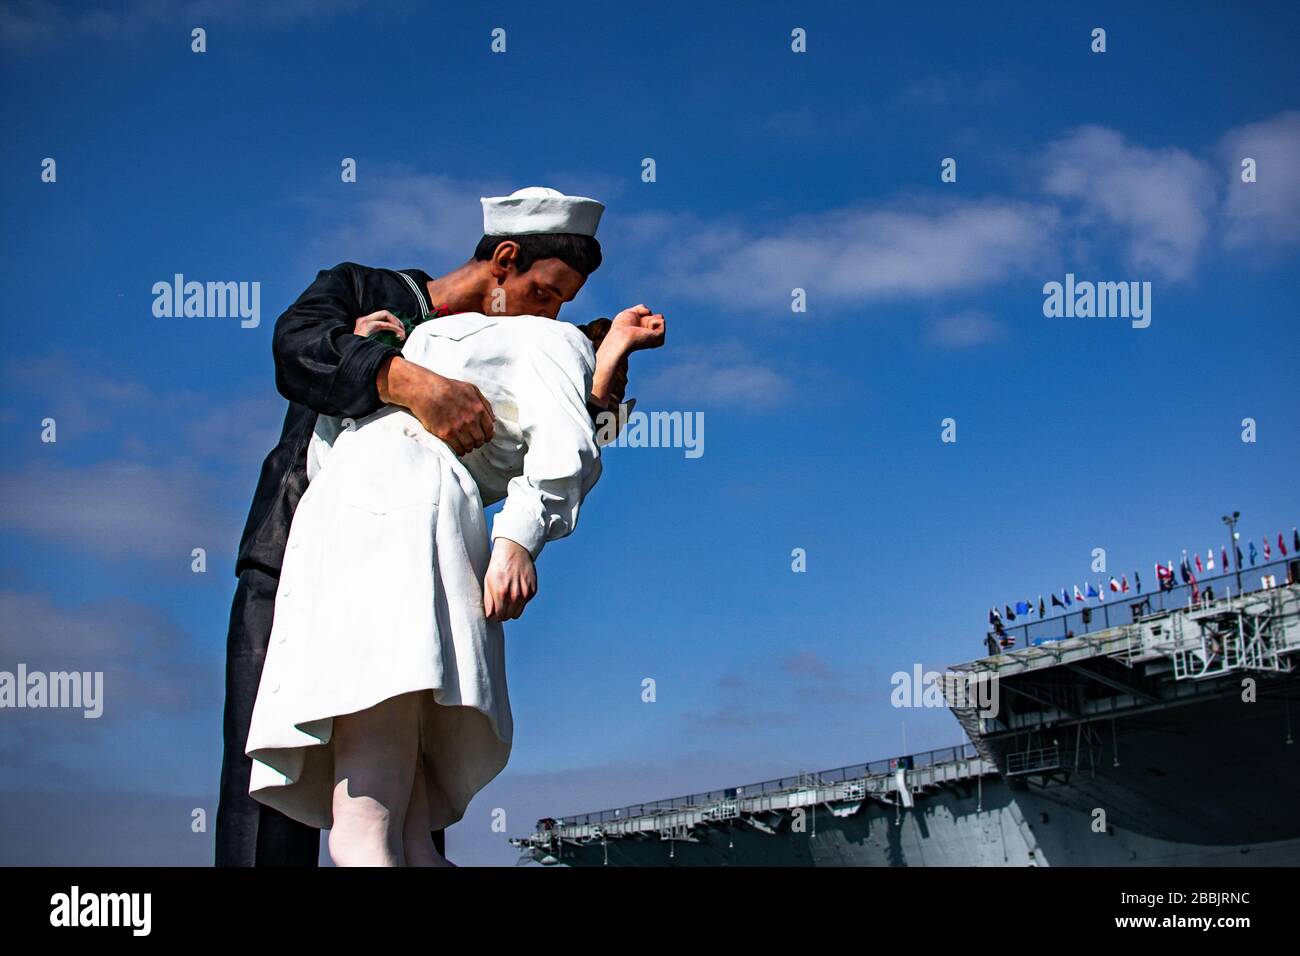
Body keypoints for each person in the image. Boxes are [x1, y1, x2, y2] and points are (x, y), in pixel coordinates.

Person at [216, 187, 636, 866]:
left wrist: (608, 367)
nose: (553, 312)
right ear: (504, 259)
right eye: (547, 292)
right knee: (271, 802)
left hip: (410, 546)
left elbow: (561, 440)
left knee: (401, 800)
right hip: (292, 549)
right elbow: (296, 350)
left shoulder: (516, 340)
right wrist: (399, 374)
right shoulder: (362, 291)